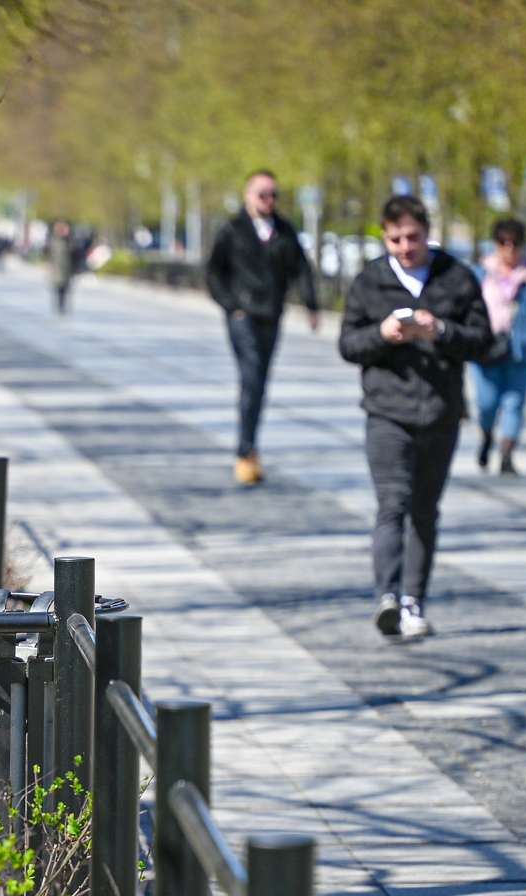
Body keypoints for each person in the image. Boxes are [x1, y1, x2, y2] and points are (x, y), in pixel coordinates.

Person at [338, 194, 493, 641]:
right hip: (387, 411)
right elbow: (348, 344)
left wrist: (440, 331)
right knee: (393, 504)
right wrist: (382, 335)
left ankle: (414, 600)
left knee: (425, 511)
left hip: (440, 412)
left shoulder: (457, 278)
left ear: (428, 234)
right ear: (384, 238)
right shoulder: (370, 282)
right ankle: (387, 597)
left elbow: (483, 341)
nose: (406, 247)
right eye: (396, 239)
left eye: (413, 237)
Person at [205, 170, 320, 487]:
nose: (268, 201)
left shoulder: (284, 231)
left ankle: (250, 446)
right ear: (247, 196)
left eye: (273, 195)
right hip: (243, 317)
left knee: (258, 382)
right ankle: (245, 451)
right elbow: (214, 272)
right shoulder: (232, 229)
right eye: (262, 194)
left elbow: (301, 269)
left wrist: (311, 304)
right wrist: (232, 306)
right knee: (252, 376)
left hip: (272, 314)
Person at [471, 218, 526, 476]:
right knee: (487, 403)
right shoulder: (480, 274)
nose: (510, 249)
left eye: (515, 244)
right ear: (496, 244)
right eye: (504, 243)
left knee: (515, 403)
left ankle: (506, 454)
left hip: (520, 350)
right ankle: (486, 435)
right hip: (486, 350)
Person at [49, 220, 81, 314]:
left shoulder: (69, 241)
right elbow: (50, 255)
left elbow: (75, 255)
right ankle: (60, 306)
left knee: (66, 289)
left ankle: (62, 306)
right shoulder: (54, 241)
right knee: (59, 289)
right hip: (57, 270)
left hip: (67, 270)